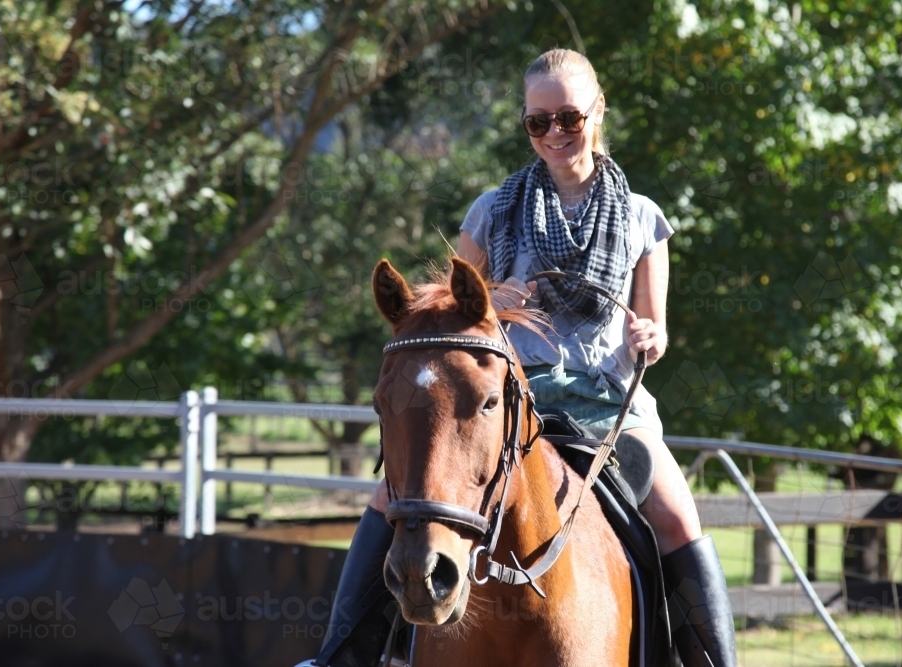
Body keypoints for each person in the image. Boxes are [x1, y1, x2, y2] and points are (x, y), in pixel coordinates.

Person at [314, 49, 736, 667]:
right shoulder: (491, 210)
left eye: (568, 117)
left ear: (597, 113)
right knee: (389, 499)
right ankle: (342, 657)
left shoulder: (645, 218)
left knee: (676, 518)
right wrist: (484, 310)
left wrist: (649, 339)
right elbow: (455, 312)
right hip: (510, 400)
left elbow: (656, 329)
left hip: (609, 407)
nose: (555, 134)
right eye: (538, 123)